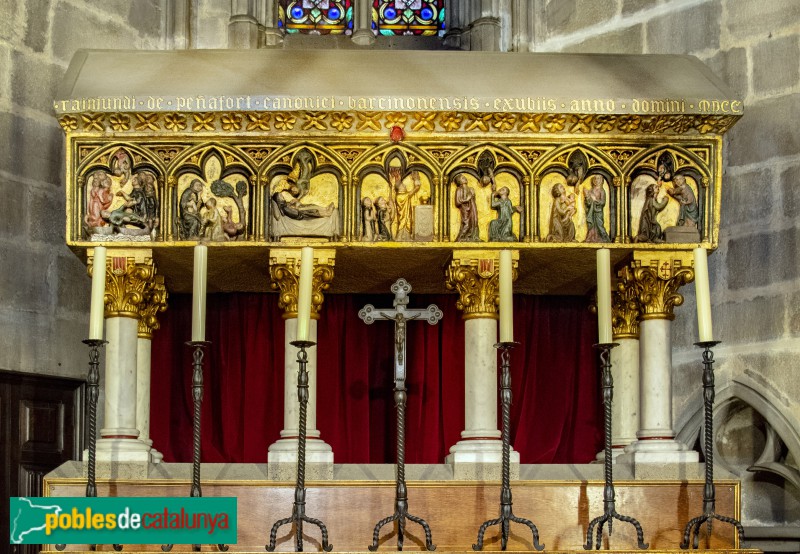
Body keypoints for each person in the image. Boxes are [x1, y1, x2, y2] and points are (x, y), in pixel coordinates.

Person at [392, 168, 420, 241]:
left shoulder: (398, 195)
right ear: (400, 188)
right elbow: (417, 188)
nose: (405, 187)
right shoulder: (404, 195)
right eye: (403, 186)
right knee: (404, 224)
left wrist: (398, 179)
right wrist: (416, 179)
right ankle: (402, 237)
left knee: (403, 223)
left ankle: (404, 237)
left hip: (403, 215)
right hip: (404, 217)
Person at [584, 175, 610, 243]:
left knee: (599, 225)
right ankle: (591, 238)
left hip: (598, 211)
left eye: (598, 179)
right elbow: (588, 203)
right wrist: (587, 196)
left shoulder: (602, 191)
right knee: (591, 225)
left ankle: (604, 238)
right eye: (595, 179)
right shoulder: (591, 190)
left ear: (601, 181)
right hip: (591, 211)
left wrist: (595, 200)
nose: (596, 180)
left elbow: (603, 202)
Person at [454, 173, 480, 242]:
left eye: (465, 177)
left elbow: (473, 199)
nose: (465, 178)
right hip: (465, 208)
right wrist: (467, 199)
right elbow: (457, 202)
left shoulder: (471, 189)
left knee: (474, 221)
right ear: (459, 181)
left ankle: (473, 236)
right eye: (462, 178)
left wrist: (473, 195)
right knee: (467, 223)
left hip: (472, 207)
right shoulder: (459, 189)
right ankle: (460, 238)